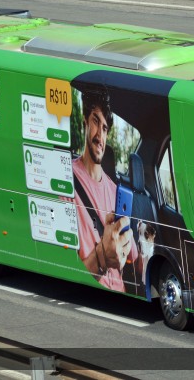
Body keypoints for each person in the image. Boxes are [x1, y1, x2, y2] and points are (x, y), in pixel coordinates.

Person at [72, 90, 139, 291]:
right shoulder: (66, 179)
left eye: (105, 128)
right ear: (84, 121)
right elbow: (69, 270)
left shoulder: (114, 190)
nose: (100, 136)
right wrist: (102, 255)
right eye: (95, 122)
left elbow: (133, 258)